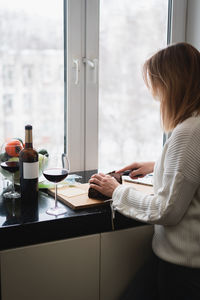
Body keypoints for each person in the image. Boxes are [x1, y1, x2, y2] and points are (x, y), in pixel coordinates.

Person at [89, 42, 200, 300]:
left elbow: (166, 210)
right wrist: (156, 165)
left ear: (174, 85)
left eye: (157, 87)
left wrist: (117, 191)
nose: (155, 95)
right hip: (181, 261)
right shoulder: (195, 125)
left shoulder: (188, 133)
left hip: (183, 268)